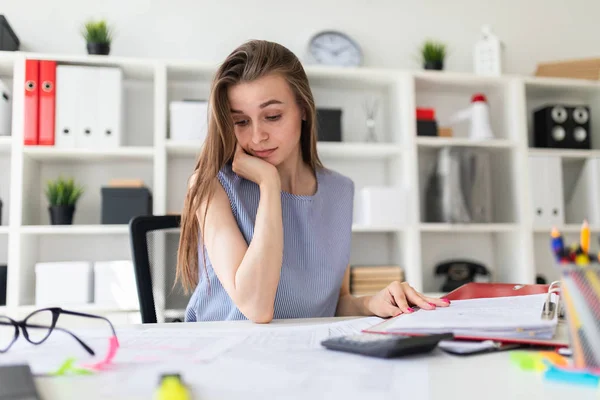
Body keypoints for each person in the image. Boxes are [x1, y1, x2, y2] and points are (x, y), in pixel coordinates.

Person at [176, 39, 450, 323]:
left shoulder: (339, 191)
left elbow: (334, 304)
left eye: (272, 116)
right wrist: (269, 186)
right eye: (241, 121)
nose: (257, 137)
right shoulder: (211, 186)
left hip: (306, 353)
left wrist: (372, 302)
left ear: (303, 109)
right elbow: (256, 308)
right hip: (223, 354)